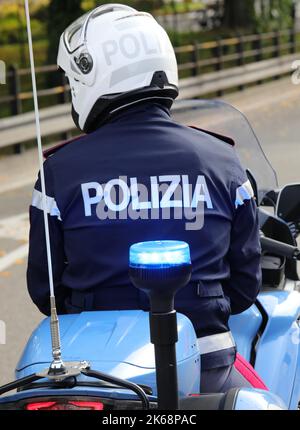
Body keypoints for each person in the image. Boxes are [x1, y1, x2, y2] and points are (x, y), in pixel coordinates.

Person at [27, 4, 261, 393]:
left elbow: (45, 291)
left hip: (94, 373)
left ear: (92, 79)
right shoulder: (223, 161)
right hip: (206, 366)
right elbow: (243, 288)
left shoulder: (58, 172)